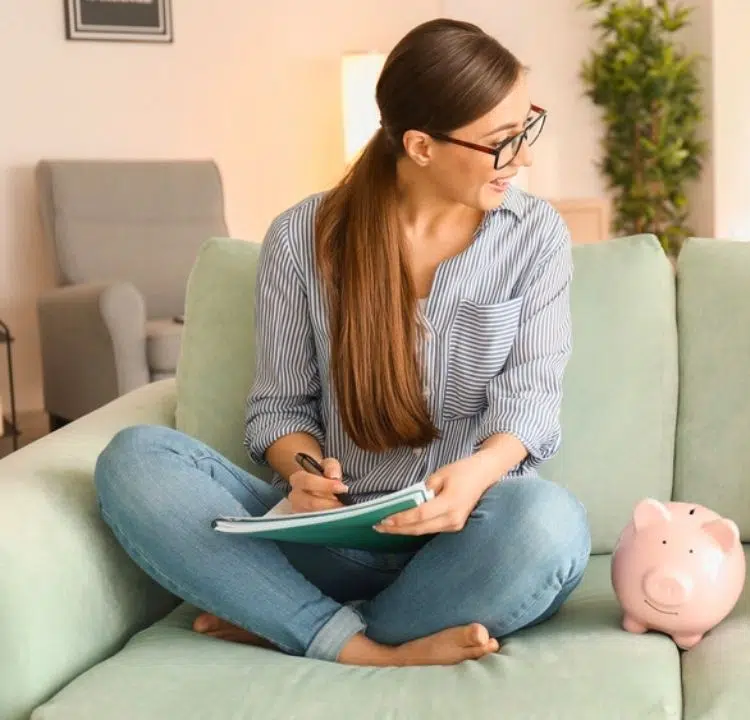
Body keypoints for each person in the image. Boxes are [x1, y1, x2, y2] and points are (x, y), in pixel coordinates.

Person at [93, 18, 591, 667]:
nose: (522, 157)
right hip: (326, 545)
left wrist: (476, 475)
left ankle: (296, 624)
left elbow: (530, 401)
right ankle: (371, 648)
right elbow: (280, 409)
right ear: (420, 146)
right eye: (501, 141)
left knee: (547, 526)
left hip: (464, 546)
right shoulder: (302, 237)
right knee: (134, 459)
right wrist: (304, 475)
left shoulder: (535, 236)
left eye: (527, 127)